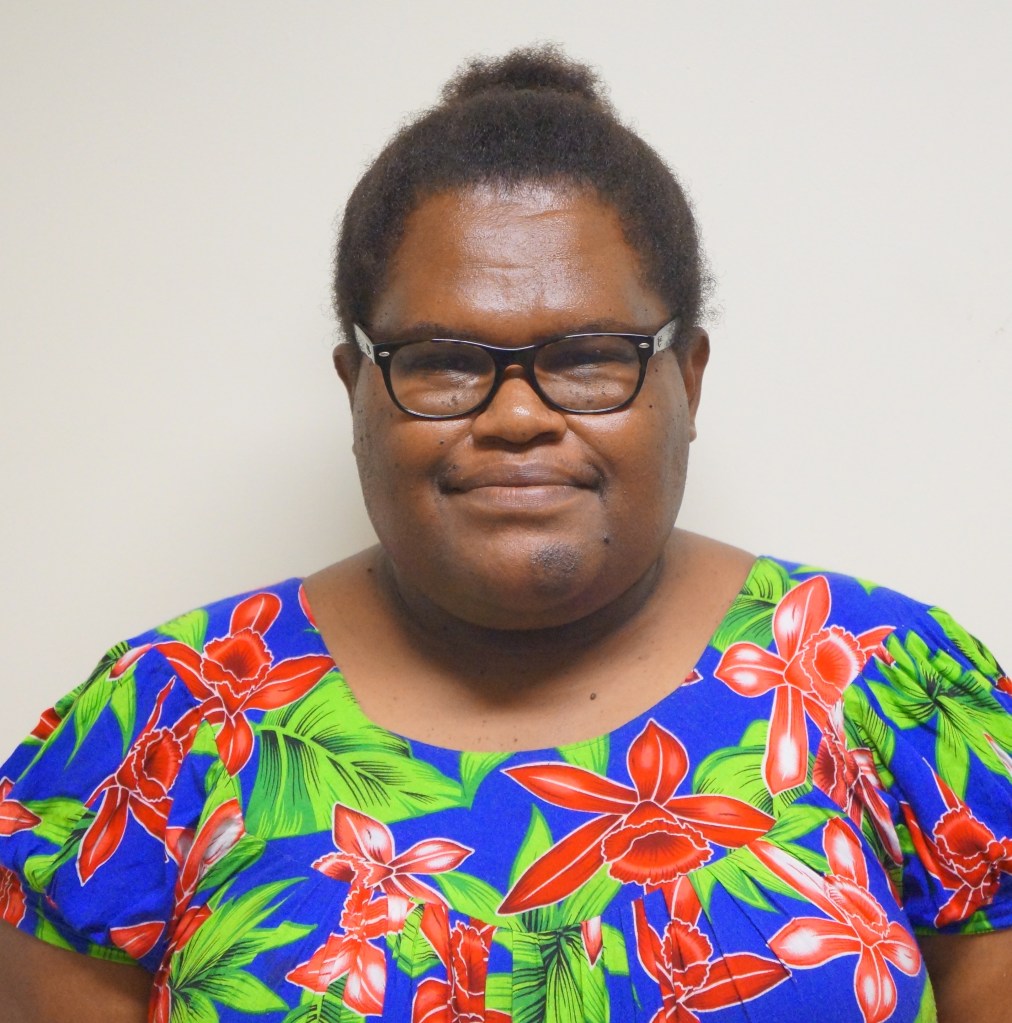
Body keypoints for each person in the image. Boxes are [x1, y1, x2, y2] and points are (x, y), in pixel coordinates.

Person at [0, 45, 1009, 1023]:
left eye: (589, 355)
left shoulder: (894, 688)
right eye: (443, 360)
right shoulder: (158, 723)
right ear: (356, 389)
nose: (517, 415)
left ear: (688, 380)